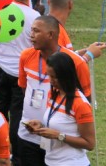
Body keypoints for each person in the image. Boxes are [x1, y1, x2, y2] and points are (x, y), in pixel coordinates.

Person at [16, 16, 92, 166]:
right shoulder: (25, 56)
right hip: (29, 133)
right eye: (31, 30)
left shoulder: (75, 62)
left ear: (50, 35)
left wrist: (61, 130)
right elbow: (24, 89)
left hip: (60, 144)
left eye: (36, 31)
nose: (31, 35)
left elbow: (85, 100)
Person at [22, 52, 95, 166]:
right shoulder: (54, 94)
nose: (51, 81)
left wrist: (59, 136)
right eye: (49, 76)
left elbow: (90, 144)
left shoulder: (80, 104)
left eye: (54, 77)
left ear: (66, 75)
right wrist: (41, 127)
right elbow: (60, 124)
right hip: (51, 162)